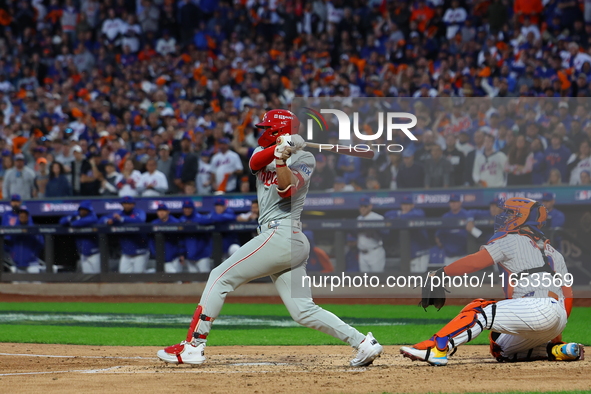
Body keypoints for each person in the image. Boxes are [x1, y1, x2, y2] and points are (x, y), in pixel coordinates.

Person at [157, 109, 383, 367]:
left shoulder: (305, 158)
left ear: (279, 130)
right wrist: (279, 150)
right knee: (303, 311)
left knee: (219, 277)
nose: (262, 132)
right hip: (280, 238)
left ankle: (194, 346)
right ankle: (363, 343)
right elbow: (254, 164)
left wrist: (284, 159)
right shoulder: (260, 153)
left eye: (267, 129)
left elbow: (286, 191)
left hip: (283, 234)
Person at [400, 198, 584, 366]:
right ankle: (558, 350)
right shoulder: (554, 253)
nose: (505, 217)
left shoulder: (512, 240)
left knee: (479, 309)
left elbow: (474, 262)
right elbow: (568, 296)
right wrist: (554, 336)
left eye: (511, 213)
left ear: (522, 217)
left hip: (537, 309)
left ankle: (437, 348)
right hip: (556, 318)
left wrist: (441, 273)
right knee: (500, 349)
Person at [101, 196, 149, 273]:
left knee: (139, 279)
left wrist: (122, 219)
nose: (127, 205)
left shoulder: (139, 212)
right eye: (124, 203)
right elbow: (101, 219)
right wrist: (108, 221)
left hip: (140, 252)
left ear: (133, 204)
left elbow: (140, 220)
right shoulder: (118, 213)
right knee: (124, 278)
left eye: (129, 203)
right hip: (126, 253)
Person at [385, 195, 429, 273]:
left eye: (408, 204)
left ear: (412, 205)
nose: (405, 206)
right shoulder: (398, 213)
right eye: (404, 204)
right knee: (411, 281)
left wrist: (400, 216)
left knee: (420, 279)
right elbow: (387, 214)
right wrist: (401, 215)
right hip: (409, 255)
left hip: (421, 254)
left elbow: (418, 215)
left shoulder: (418, 212)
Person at [59, 201, 100, 273]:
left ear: (89, 210)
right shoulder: (77, 216)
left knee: (97, 278)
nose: (82, 211)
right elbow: (62, 222)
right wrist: (72, 216)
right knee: (87, 278)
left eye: (84, 209)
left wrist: (73, 220)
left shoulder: (93, 217)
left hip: (94, 254)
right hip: (83, 254)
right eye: (81, 209)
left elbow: (76, 224)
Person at [435, 194, 475, 265]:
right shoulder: (445, 217)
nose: (453, 204)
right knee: (449, 276)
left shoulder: (466, 214)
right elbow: (438, 235)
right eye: (452, 202)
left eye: (455, 202)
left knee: (465, 276)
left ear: (460, 202)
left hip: (464, 255)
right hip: (449, 256)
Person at [180, 200, 214, 273]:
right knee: (193, 281)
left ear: (193, 209)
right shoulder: (181, 220)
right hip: (189, 256)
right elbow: (181, 240)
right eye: (185, 208)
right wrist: (182, 253)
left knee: (205, 279)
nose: (187, 210)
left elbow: (210, 220)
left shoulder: (200, 218)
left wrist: (193, 223)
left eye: (189, 208)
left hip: (202, 255)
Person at [8, 206, 45, 273]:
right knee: (17, 283)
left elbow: (41, 244)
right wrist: (13, 255)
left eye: (24, 213)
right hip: (17, 264)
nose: (22, 215)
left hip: (32, 264)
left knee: (35, 283)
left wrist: (33, 254)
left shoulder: (34, 229)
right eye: (20, 213)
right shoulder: (14, 229)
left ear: (28, 215)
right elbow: (9, 243)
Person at [150, 204, 185, 273]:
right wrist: (154, 253)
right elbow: (151, 241)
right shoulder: (154, 223)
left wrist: (182, 254)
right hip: (161, 256)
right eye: (159, 211)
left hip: (175, 256)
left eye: (163, 210)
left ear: (168, 211)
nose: (161, 212)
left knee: (177, 278)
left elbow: (181, 239)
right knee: (172, 276)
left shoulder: (176, 222)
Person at [357, 196, 386, 273]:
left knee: (377, 280)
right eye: (361, 206)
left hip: (375, 252)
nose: (363, 208)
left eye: (365, 206)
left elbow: (386, 234)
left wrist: (374, 229)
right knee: (364, 281)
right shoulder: (358, 219)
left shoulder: (378, 218)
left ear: (370, 206)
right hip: (362, 253)